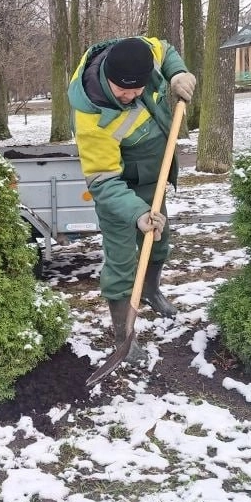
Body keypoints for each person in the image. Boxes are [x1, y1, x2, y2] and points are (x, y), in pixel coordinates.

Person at [67, 36, 196, 358]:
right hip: (117, 193)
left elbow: (164, 49)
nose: (130, 96)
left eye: (137, 89)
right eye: (122, 89)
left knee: (160, 240)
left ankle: (151, 291)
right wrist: (137, 213)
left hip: (151, 178)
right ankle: (123, 334)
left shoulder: (139, 53)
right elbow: (102, 181)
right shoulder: (91, 116)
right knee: (122, 263)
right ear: (107, 74)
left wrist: (178, 73)